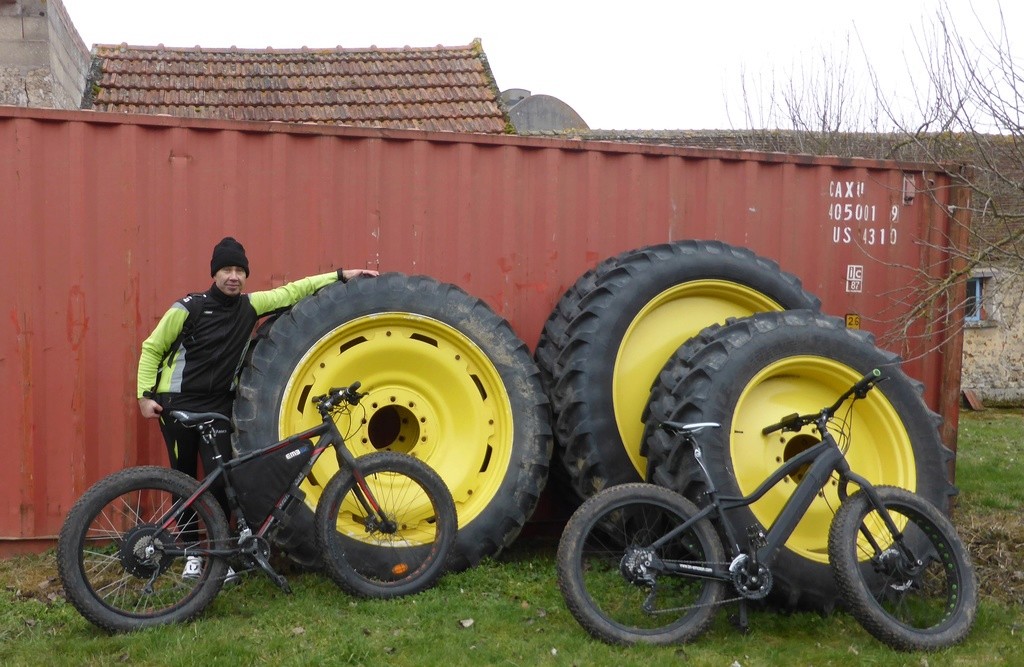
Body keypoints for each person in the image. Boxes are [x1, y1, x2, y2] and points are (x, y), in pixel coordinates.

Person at [137, 236, 378, 579]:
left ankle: (217, 556)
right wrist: (145, 396)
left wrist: (341, 275)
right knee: (184, 480)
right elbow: (152, 348)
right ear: (214, 274)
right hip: (177, 406)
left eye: (239, 270)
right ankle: (191, 552)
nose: (233, 276)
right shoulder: (188, 308)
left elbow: (295, 291)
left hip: (219, 406)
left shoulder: (250, 306)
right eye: (226, 270)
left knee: (219, 484)